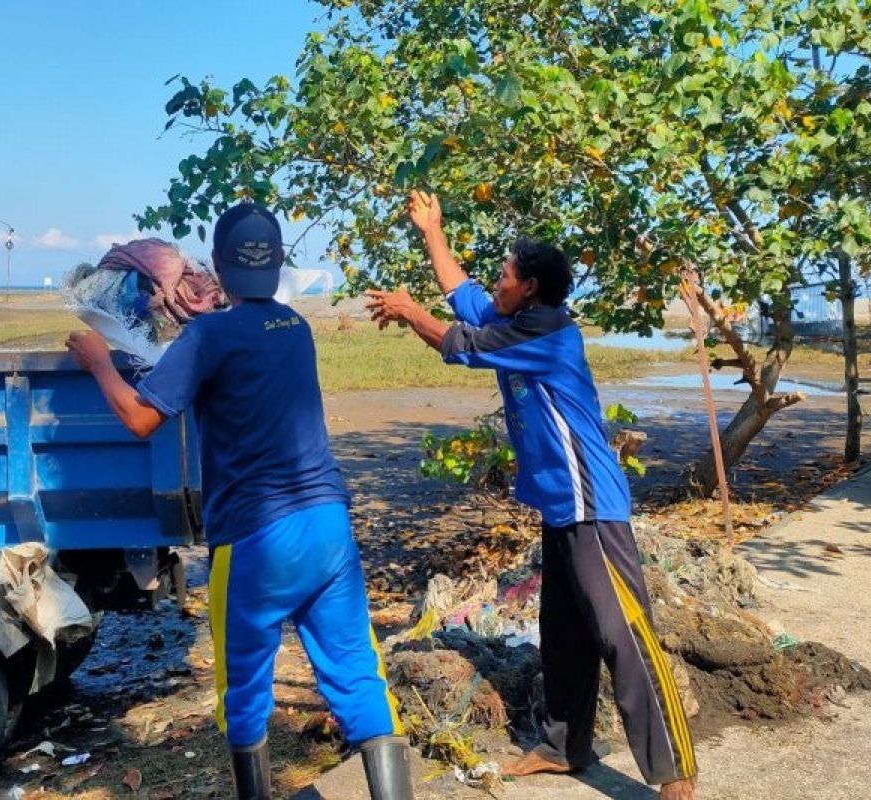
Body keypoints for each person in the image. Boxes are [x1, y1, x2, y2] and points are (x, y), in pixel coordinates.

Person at [66, 203, 412, 800]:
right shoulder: (295, 327)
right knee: (358, 677)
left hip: (256, 542)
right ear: (277, 265)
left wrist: (99, 363)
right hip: (329, 529)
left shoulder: (207, 335)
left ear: (218, 265)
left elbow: (141, 418)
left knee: (245, 692)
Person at [365, 191, 697, 800]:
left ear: (531, 289)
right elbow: (459, 294)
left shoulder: (546, 335)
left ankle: (673, 771)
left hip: (592, 505)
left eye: (505, 275)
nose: (495, 282)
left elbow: (455, 343)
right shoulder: (514, 319)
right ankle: (562, 747)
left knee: (624, 632)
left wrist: (409, 310)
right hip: (560, 506)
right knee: (564, 629)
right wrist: (431, 230)